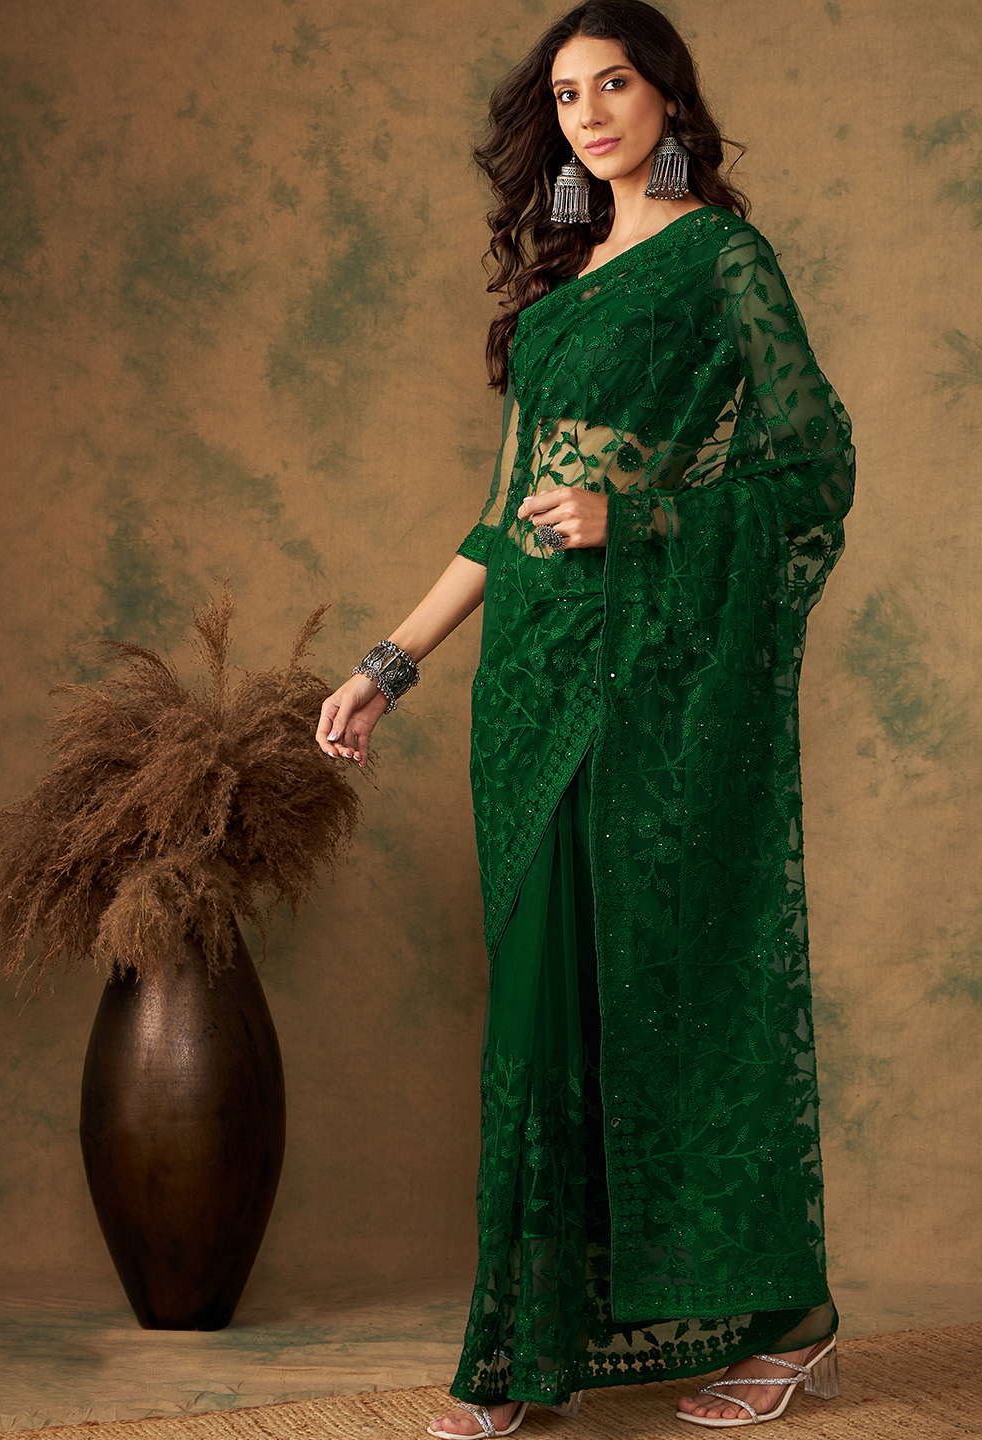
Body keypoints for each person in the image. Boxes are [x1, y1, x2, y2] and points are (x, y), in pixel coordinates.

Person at [315, 1, 854, 1431]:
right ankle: (542, 1346)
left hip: (649, 681)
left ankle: (780, 1320)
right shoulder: (559, 293)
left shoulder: (723, 259)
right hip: (530, 685)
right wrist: (388, 663)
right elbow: (504, 513)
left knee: (663, 990)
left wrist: (643, 514)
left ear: (668, 97)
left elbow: (815, 469)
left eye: (615, 84)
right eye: (566, 96)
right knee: (541, 1009)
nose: (592, 114)